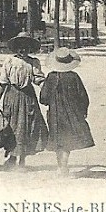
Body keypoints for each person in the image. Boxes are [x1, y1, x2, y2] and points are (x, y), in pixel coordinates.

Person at [0, 32, 49, 170]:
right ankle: (10, 161)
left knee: (26, 127)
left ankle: (22, 161)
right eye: (20, 47)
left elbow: (38, 80)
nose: (23, 50)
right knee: (10, 127)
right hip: (11, 97)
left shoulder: (33, 62)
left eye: (26, 47)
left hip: (28, 97)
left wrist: (48, 92)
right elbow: (2, 82)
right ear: (16, 48)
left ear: (30, 48)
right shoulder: (9, 61)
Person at [39, 47, 95, 176]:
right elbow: (83, 97)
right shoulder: (74, 77)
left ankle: (62, 166)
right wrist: (83, 111)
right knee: (67, 139)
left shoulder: (51, 77)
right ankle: (64, 165)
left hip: (55, 114)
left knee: (58, 139)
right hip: (71, 113)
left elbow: (43, 99)